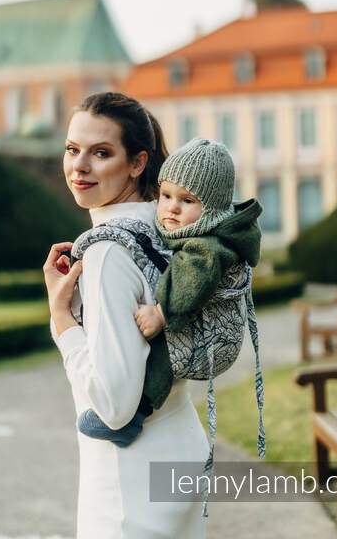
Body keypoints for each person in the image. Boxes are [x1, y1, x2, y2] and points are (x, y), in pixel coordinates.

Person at [43, 92, 209, 539]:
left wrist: (63, 320)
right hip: (183, 450)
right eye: (72, 149)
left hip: (131, 484)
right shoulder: (168, 227)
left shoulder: (108, 253)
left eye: (101, 153)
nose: (79, 167)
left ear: (137, 163)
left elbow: (115, 407)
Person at [75, 138, 264, 463]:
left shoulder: (207, 248)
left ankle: (134, 416)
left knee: (159, 354)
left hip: (207, 340)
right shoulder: (203, 229)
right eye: (165, 196)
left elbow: (191, 282)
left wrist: (162, 313)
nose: (171, 208)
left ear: (212, 208)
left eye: (187, 200)